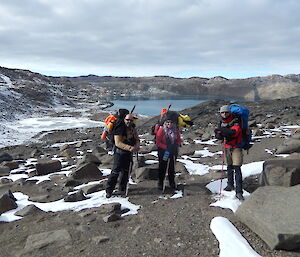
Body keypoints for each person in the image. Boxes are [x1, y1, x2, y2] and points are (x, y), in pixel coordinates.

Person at [106, 113, 140, 198]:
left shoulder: (132, 128)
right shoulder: (119, 129)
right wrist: (129, 148)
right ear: (124, 120)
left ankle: (122, 188)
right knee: (115, 171)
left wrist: (136, 145)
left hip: (128, 152)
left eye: (131, 120)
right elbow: (118, 143)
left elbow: (137, 139)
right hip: (119, 153)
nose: (129, 122)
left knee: (126, 171)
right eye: (127, 120)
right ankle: (109, 190)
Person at [214, 105, 244, 200]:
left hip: (236, 147)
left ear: (229, 112)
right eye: (222, 113)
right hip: (227, 147)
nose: (224, 114)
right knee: (229, 167)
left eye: (226, 112)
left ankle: (239, 191)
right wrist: (221, 132)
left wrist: (221, 131)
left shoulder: (236, 120)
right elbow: (218, 136)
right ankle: (230, 184)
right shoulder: (221, 122)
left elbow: (234, 132)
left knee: (237, 168)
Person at [156, 115, 182, 191]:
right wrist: (165, 147)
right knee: (163, 166)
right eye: (167, 122)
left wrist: (179, 143)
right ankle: (160, 182)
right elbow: (158, 142)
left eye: (171, 122)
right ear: (165, 123)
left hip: (173, 150)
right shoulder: (161, 130)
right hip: (164, 151)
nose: (169, 124)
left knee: (172, 166)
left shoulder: (175, 129)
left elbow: (178, 138)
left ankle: (172, 182)